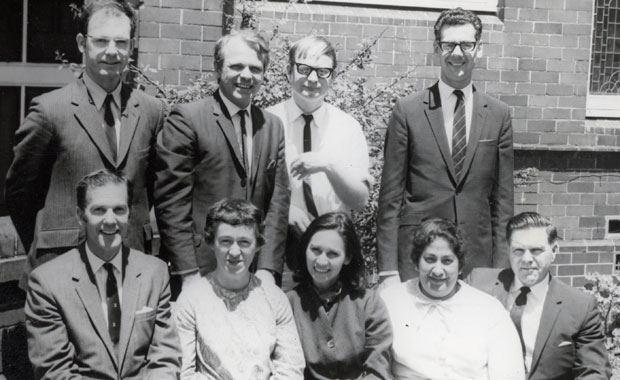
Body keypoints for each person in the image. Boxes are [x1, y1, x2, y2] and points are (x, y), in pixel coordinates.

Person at [6, 0, 164, 290]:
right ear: (82, 43)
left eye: (121, 42)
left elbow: (154, 190)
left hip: (131, 265)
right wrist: (48, 239)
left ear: (131, 47)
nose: (112, 51)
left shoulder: (152, 111)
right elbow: (20, 192)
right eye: (101, 40)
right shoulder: (49, 110)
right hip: (62, 267)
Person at [376, 7, 514, 284]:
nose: (457, 53)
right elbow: (390, 199)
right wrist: (388, 269)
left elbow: (503, 203)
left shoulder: (498, 114)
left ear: (479, 49)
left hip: (478, 258)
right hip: (419, 255)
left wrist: (501, 269)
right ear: (436, 48)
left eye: (466, 44)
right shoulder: (408, 111)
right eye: (449, 44)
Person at [155, 29, 290, 288]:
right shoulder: (187, 119)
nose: (247, 75)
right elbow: (171, 204)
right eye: (236, 66)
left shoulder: (273, 126)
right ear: (218, 68)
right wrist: (188, 272)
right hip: (200, 272)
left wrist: (267, 270)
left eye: (255, 68)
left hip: (254, 275)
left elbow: (277, 205)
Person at [25, 169, 181, 380]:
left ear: (129, 214)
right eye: (99, 210)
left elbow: (165, 356)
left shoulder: (155, 272)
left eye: (119, 210)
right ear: (81, 216)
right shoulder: (47, 282)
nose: (110, 220)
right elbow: (55, 372)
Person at [266, 36, 371, 281]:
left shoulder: (348, 128)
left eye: (323, 71)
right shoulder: (268, 122)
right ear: (289, 72)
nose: (313, 79)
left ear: (332, 77)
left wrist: (329, 165)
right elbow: (251, 190)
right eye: (304, 69)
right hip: (280, 249)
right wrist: (285, 211)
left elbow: (360, 200)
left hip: (333, 250)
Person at [468, 212, 611, 380]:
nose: (526, 259)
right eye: (518, 250)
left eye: (536, 250)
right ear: (508, 249)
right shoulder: (478, 284)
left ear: (554, 250)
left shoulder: (579, 307)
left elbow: (594, 372)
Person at [174, 199, 305, 380]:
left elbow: (292, 369)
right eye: (226, 241)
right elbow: (184, 373)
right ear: (211, 243)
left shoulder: (274, 298)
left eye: (244, 242)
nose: (234, 252)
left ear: (258, 245)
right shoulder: (191, 299)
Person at [380, 218, 524, 380]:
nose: (438, 271)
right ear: (416, 262)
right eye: (430, 259)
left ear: (460, 266)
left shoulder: (489, 309)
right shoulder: (390, 301)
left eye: (447, 261)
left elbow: (509, 374)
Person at [287, 212, 393, 380]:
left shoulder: (369, 303)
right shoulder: (289, 303)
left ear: (348, 257)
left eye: (333, 254)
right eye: (315, 250)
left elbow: (377, 370)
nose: (321, 261)